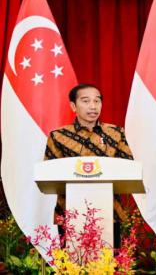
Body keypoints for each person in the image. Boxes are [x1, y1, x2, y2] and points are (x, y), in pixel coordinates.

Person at [44, 83, 133, 246]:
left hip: (110, 210)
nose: (93, 106)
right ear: (73, 106)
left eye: (97, 101)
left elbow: (128, 167)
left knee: (111, 264)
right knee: (72, 265)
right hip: (69, 210)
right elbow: (49, 174)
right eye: (85, 101)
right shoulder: (58, 136)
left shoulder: (116, 133)